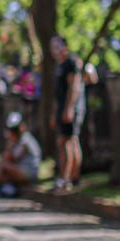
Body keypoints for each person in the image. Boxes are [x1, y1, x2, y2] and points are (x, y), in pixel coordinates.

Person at [51, 35, 84, 191]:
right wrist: (54, 112)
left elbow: (74, 87)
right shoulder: (60, 65)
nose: (54, 50)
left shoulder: (71, 62)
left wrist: (69, 108)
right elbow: (58, 93)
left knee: (67, 141)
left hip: (71, 108)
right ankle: (72, 178)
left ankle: (66, 178)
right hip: (62, 108)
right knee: (69, 141)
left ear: (65, 47)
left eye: (56, 46)